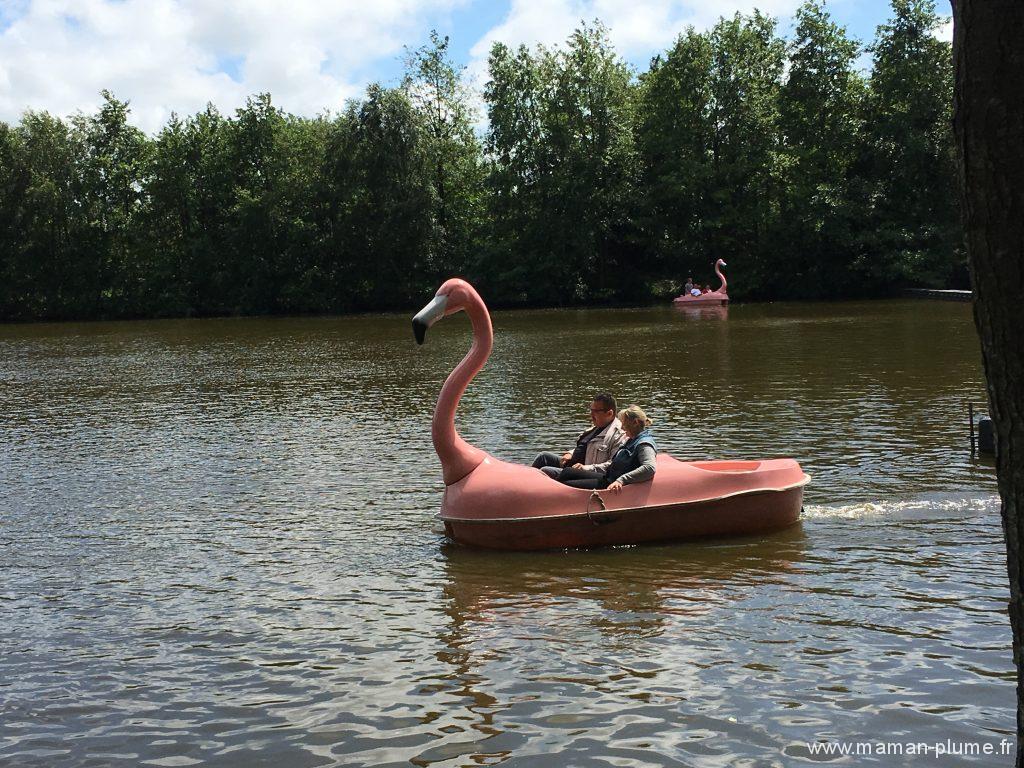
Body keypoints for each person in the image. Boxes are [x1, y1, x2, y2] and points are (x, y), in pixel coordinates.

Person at [557, 405, 657, 492]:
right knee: (568, 471)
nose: (622, 427)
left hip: (611, 483)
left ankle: (553, 497)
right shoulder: (631, 440)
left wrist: (621, 480)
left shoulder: (644, 444)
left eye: (624, 423)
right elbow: (611, 464)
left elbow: (649, 468)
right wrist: (587, 468)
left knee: (567, 484)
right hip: (608, 477)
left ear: (635, 423)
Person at [532, 393, 627, 480]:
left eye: (596, 411)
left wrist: (585, 468)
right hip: (571, 465)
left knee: (546, 470)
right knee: (543, 456)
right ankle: (525, 484)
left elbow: (613, 465)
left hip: (583, 473)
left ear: (609, 413)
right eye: (591, 410)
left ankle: (535, 493)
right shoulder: (596, 427)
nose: (590, 414)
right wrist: (570, 453)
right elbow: (585, 446)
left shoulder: (618, 436)